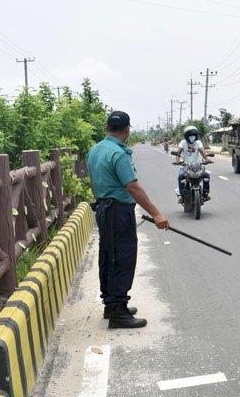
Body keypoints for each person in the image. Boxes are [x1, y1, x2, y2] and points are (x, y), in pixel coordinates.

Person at [87, 111, 169, 329]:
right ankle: (118, 312)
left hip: (103, 209)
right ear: (127, 130)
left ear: (107, 128)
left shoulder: (95, 150)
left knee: (108, 256)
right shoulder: (119, 153)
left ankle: (111, 305)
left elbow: (93, 182)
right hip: (117, 212)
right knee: (122, 258)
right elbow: (133, 187)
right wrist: (156, 214)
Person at [175, 126, 212, 201]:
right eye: (190, 136)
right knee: (180, 176)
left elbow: (203, 153)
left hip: (198, 166)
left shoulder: (198, 143)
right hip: (185, 166)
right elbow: (178, 153)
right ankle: (182, 195)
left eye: (194, 136)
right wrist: (177, 161)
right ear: (186, 136)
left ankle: (205, 193)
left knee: (206, 176)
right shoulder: (183, 142)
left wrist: (207, 159)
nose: (192, 138)